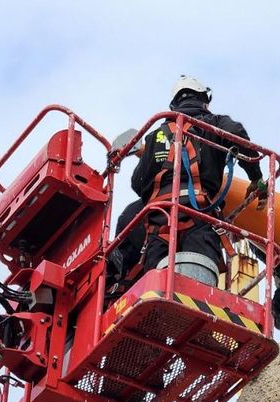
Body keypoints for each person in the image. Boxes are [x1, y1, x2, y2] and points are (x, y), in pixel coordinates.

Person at [107, 76, 267, 286]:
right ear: (204, 100)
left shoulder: (154, 136)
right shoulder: (214, 124)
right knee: (197, 287)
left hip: (158, 225)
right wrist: (256, 178)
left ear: (174, 105)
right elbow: (236, 134)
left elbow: (138, 183)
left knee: (155, 290)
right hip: (199, 216)